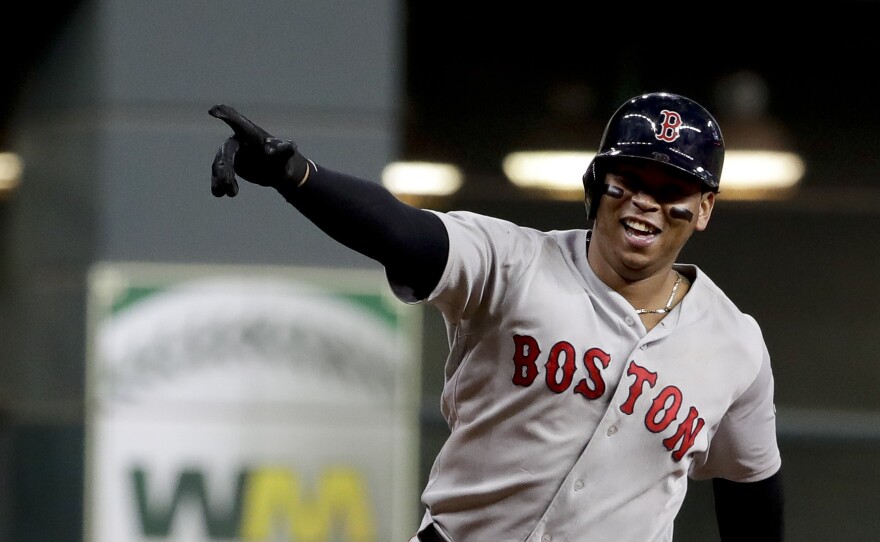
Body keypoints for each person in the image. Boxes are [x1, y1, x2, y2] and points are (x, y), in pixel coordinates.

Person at [209, 91, 784, 542]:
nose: (645, 201)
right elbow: (404, 233)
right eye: (628, 179)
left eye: (672, 189)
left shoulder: (735, 345)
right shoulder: (513, 262)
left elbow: (750, 488)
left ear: (704, 208)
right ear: (596, 184)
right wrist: (299, 178)